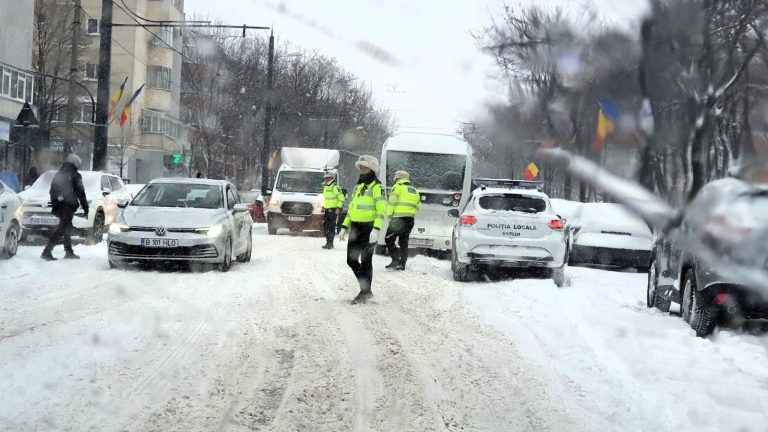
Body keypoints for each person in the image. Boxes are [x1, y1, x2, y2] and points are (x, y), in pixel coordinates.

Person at [339, 155, 386, 304]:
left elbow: (381, 210)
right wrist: (344, 226)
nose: (361, 170)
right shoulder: (358, 187)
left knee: (366, 261)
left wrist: (376, 229)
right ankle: (366, 290)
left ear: (372, 170)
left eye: (364, 168)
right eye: (360, 168)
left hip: (369, 229)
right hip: (355, 228)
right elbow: (352, 209)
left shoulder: (378, 188)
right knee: (351, 260)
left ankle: (364, 292)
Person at [41, 153, 88, 261]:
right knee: (61, 229)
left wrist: (56, 203)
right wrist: (85, 207)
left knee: (67, 228)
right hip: (68, 206)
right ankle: (47, 251)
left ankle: (68, 251)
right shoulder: (75, 175)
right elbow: (81, 192)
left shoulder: (59, 174)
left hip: (59, 206)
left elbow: (52, 191)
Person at [385, 171, 421, 270]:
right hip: (410, 219)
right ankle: (402, 264)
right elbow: (418, 206)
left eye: (396, 179)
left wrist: (389, 214)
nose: (395, 181)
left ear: (399, 179)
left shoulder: (397, 187)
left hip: (398, 219)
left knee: (389, 239)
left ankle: (395, 260)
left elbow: (392, 203)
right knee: (403, 242)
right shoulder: (414, 190)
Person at [321, 170, 345, 249]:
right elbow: (326, 199)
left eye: (327, 178)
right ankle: (328, 242)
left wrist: (338, 208)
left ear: (331, 178)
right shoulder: (326, 187)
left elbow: (341, 198)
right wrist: (323, 207)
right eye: (325, 178)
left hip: (333, 210)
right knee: (326, 227)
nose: (326, 179)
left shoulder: (335, 187)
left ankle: (330, 244)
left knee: (331, 227)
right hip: (327, 210)